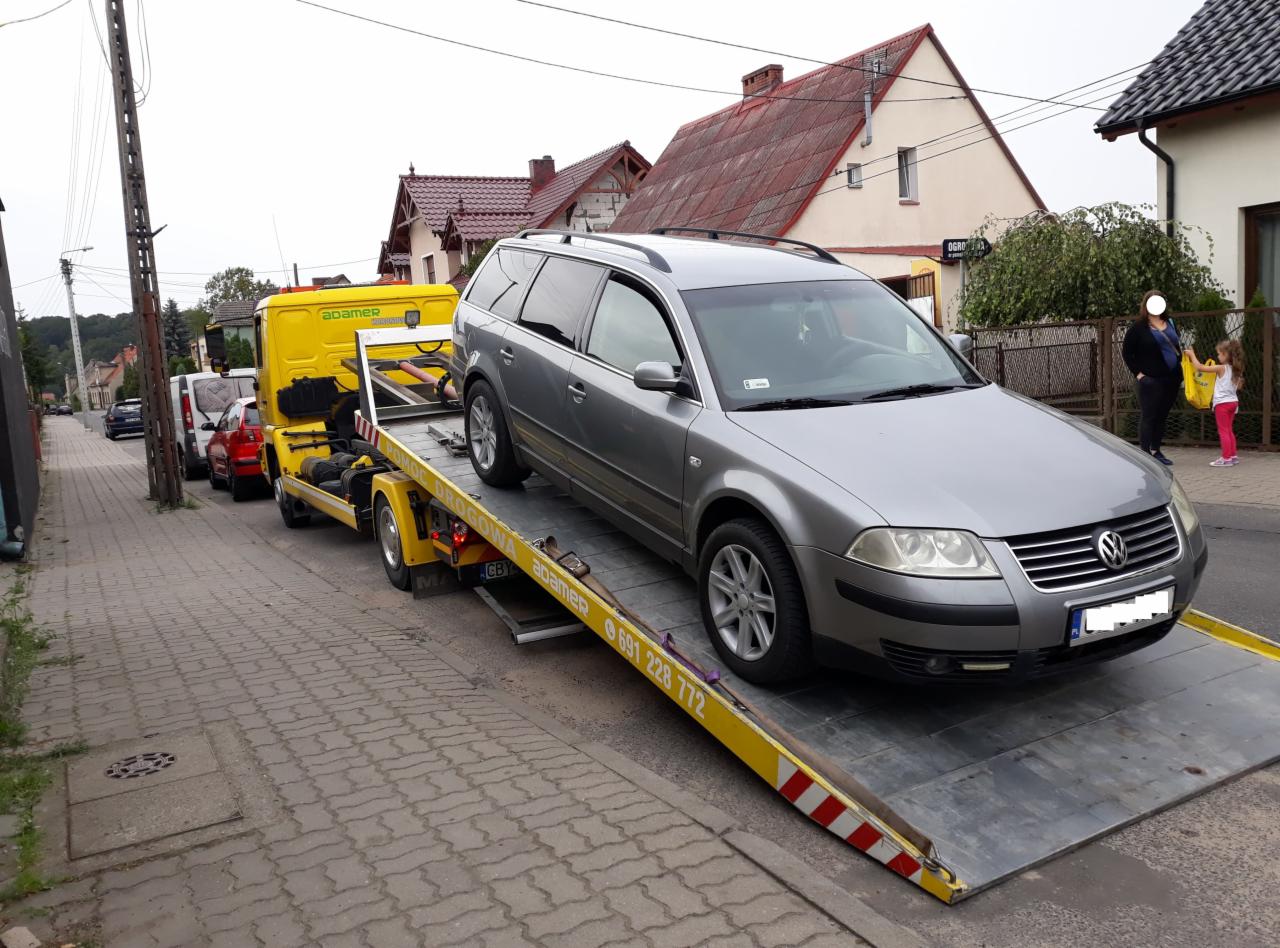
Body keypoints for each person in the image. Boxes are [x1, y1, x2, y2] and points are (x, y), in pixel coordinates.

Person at [1122, 290, 1180, 465]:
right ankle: (1146, 454)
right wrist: (1139, 375)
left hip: (1172, 378)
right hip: (1150, 381)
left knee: (1162, 415)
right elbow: (1127, 353)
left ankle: (1156, 450)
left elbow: (1176, 345)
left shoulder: (1169, 322)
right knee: (1149, 415)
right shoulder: (1138, 328)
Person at [1185, 339, 1244, 466]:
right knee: (1229, 430)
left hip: (1222, 404)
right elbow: (1238, 387)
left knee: (1223, 431)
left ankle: (1226, 458)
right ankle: (1233, 456)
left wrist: (1191, 355)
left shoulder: (1221, 368)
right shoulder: (1236, 370)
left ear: (1225, 355)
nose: (1217, 356)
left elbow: (1200, 367)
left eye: (1218, 354)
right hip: (1233, 403)